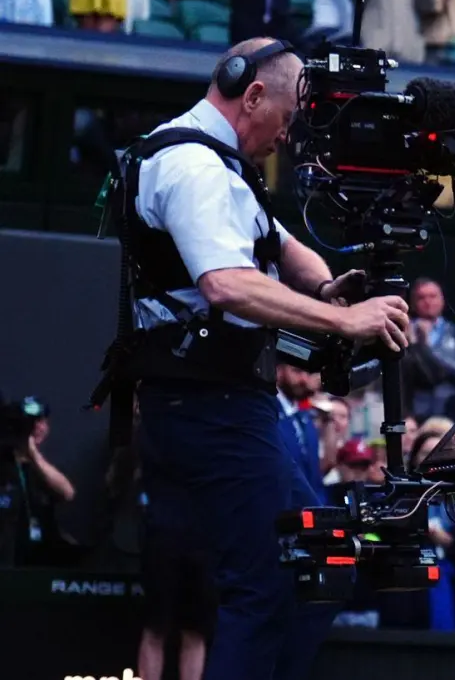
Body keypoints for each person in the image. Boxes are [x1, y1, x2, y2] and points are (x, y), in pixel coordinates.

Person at [107, 39, 411, 680]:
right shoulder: (193, 167)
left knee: (322, 561)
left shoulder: (217, 165)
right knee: (277, 579)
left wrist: (325, 286)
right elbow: (225, 283)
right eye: (290, 117)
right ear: (252, 96)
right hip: (209, 410)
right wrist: (343, 318)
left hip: (218, 408)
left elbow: (275, 241)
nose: (289, 136)